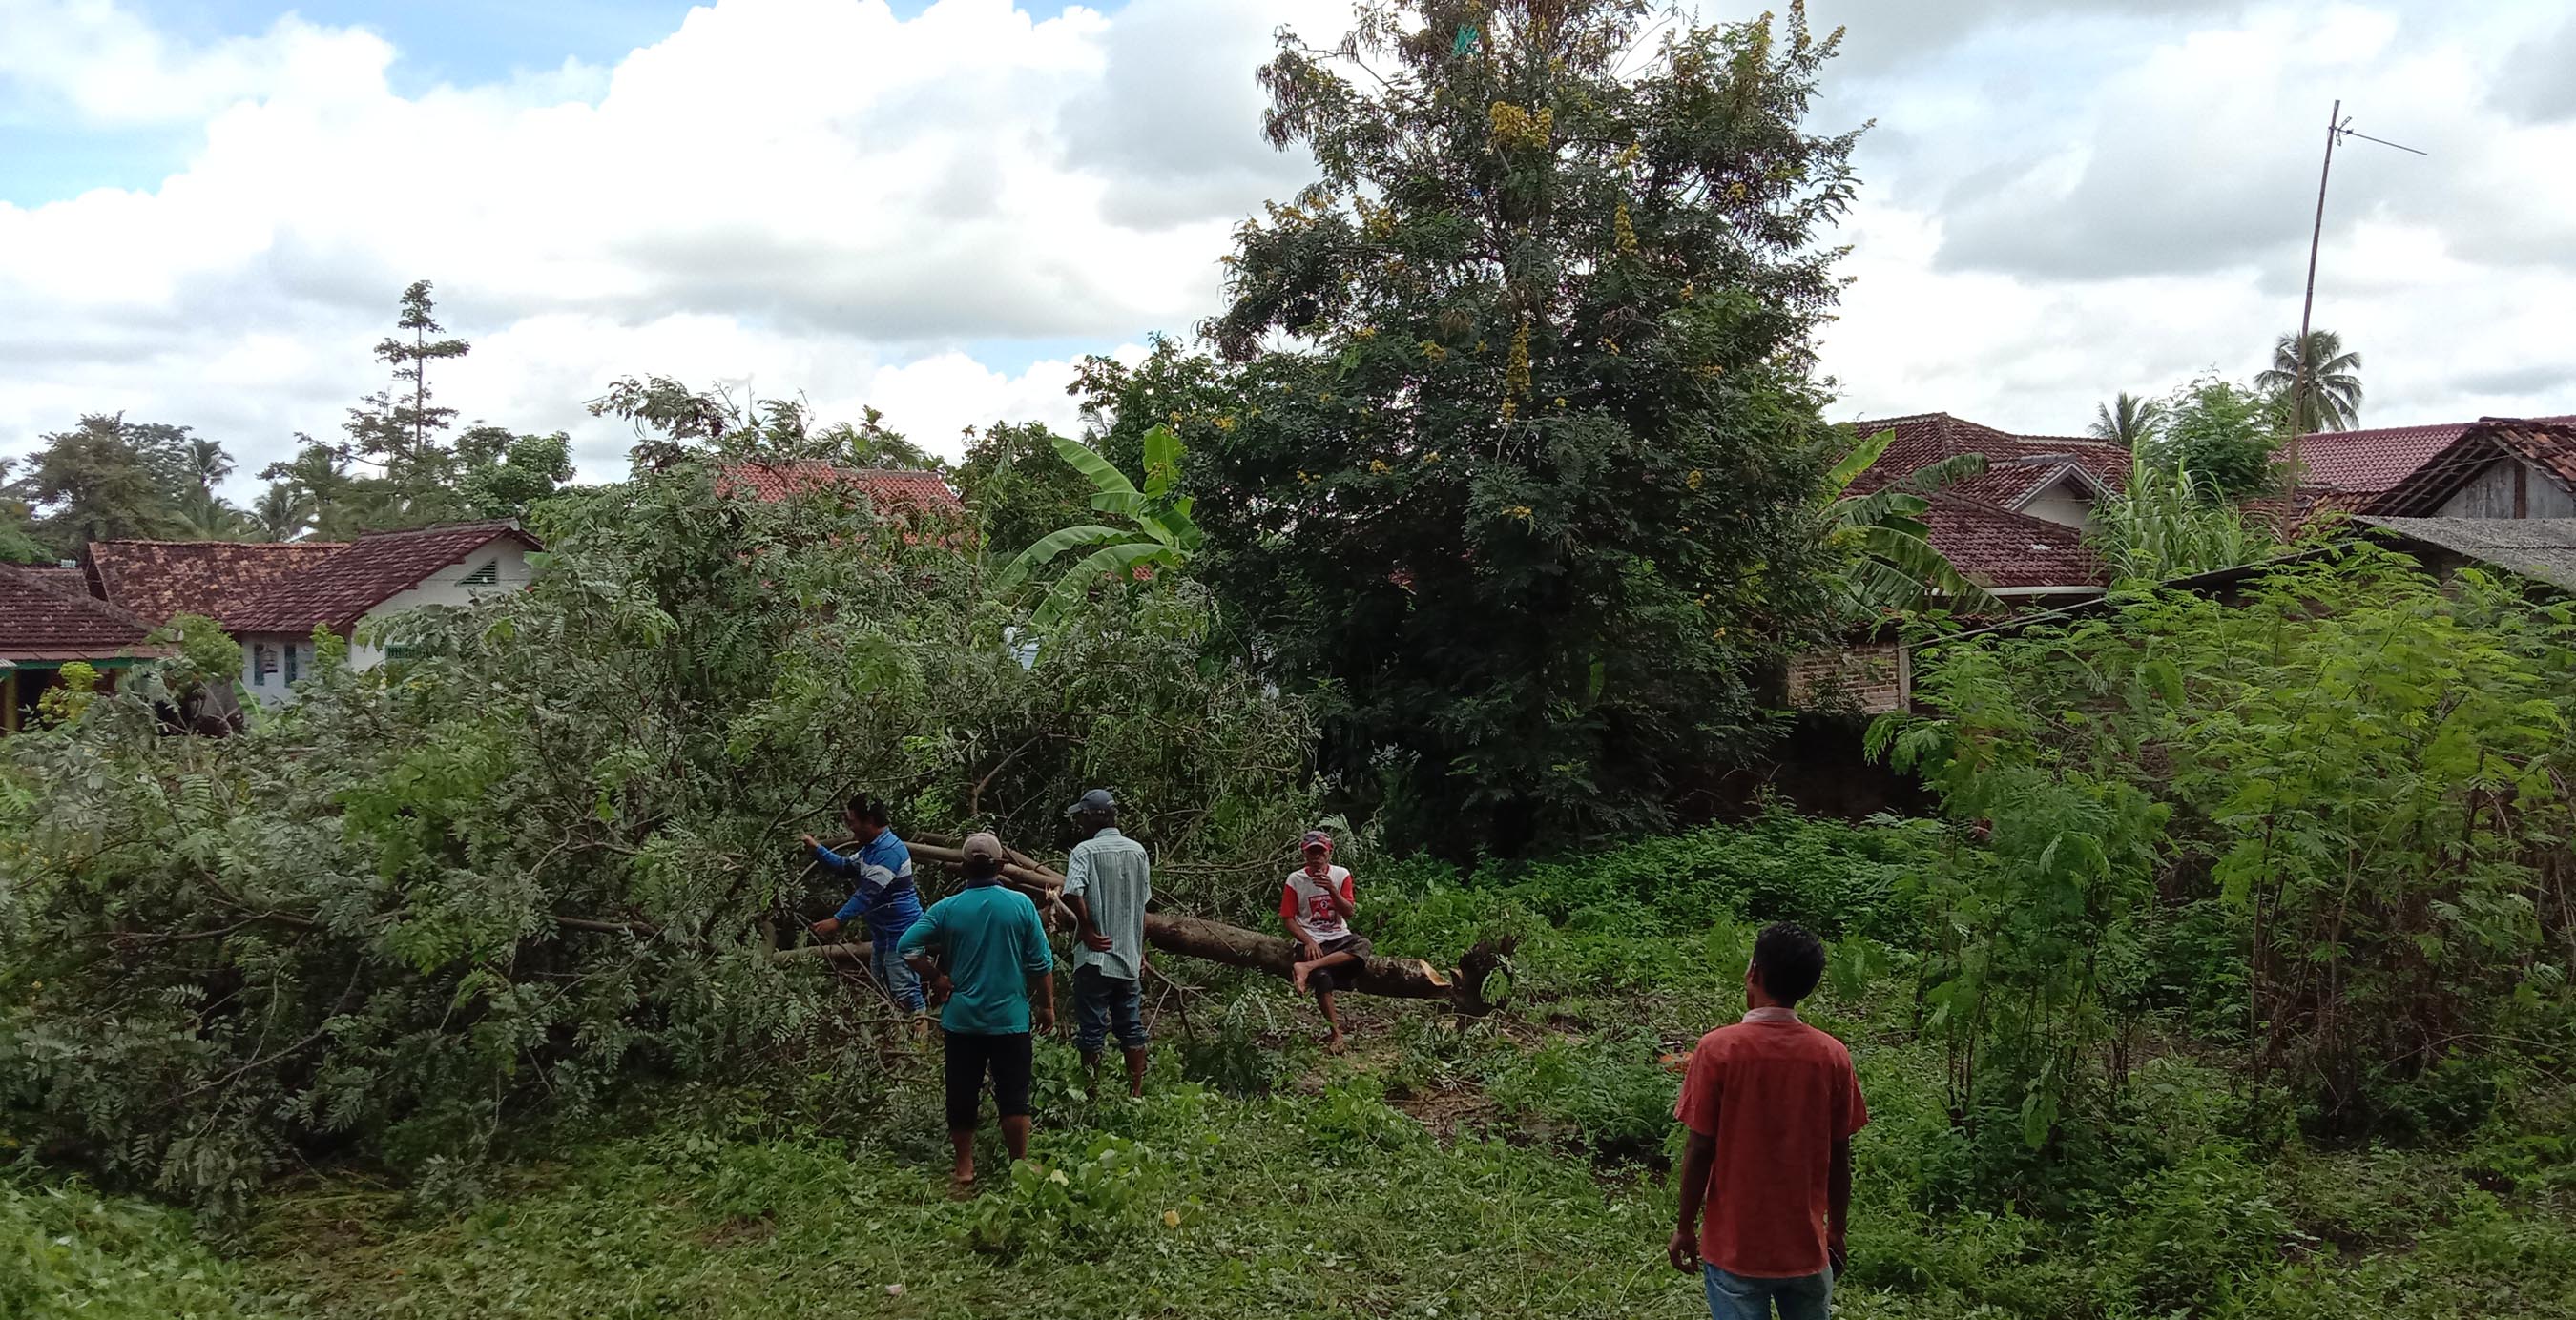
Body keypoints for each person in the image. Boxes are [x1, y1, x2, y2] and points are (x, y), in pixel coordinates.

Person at [1667, 922, 1868, 1320]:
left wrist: (1686, 1226)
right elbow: (1839, 1154)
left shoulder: (1718, 1049)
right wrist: (1837, 1231)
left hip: (1735, 1251)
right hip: (1807, 1250)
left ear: (1753, 974)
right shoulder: (1832, 1056)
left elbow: (1701, 1146)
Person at [897, 832, 1056, 1190]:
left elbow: (906, 947)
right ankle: (1019, 1165)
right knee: (1014, 1093)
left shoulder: (947, 908)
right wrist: (1047, 1007)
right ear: (1001, 866)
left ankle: (964, 1169)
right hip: (1010, 1019)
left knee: (962, 1091)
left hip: (962, 1020)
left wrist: (937, 977)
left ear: (964, 868)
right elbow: (1041, 962)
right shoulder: (1020, 906)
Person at [1061, 788, 1152, 1099]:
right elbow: (1141, 905)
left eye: (1081, 818)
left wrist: (1086, 927)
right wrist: (1141, 951)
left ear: (1089, 818)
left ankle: (1091, 1092)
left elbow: (1073, 891)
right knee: (1131, 1025)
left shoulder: (1084, 852)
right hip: (1128, 954)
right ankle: (1136, 1093)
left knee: (1092, 1027)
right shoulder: (1138, 851)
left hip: (1096, 957)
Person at [803, 795, 926, 1017]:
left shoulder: (888, 851)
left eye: (852, 822)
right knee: (880, 988)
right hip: (883, 935)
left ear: (869, 821)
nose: (851, 827)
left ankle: (920, 1045)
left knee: (908, 994)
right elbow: (844, 867)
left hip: (901, 935)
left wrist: (836, 920)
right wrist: (817, 849)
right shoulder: (871, 848)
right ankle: (897, 1038)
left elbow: (866, 894)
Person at [1280, 829, 1368, 1053]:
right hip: (1312, 940)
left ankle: (1306, 968)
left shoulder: (1341, 875)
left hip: (1339, 937)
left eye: (1321, 853)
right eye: (1312, 853)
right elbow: (1288, 919)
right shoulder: (1295, 879)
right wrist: (1308, 941)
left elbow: (1348, 913)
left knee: (1363, 946)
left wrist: (1331, 889)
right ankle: (1336, 1033)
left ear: (1329, 853)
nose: (1316, 858)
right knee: (1322, 979)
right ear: (1305, 855)